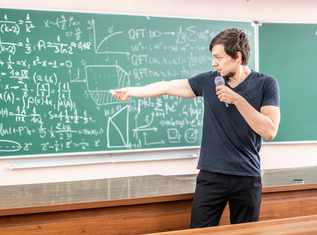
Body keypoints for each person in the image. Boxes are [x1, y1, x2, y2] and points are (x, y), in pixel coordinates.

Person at [112, 28, 280, 228]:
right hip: (211, 175)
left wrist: (237, 100)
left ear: (237, 56)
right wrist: (132, 91)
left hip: (247, 176)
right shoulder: (208, 81)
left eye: (218, 57)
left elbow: (269, 131)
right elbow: (166, 86)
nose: (213, 63)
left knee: (245, 233)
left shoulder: (266, 84)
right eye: (213, 57)